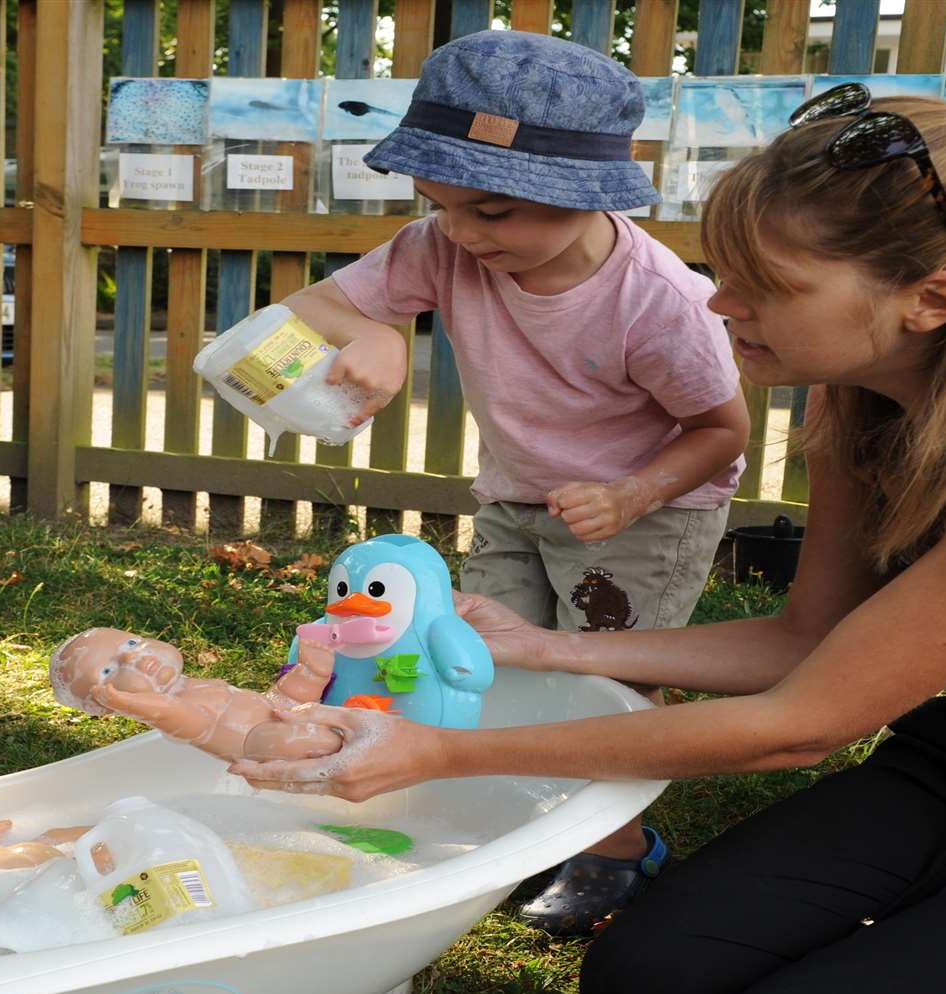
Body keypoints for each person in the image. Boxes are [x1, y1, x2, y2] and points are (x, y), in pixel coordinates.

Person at [234, 83, 946, 994]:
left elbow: (802, 722)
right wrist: (548, 646)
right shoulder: (858, 402)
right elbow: (802, 639)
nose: (720, 302)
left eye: (765, 284)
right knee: (642, 991)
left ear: (930, 300)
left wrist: (437, 753)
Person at [280, 29, 751, 935]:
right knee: (485, 659)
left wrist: (633, 494)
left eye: (490, 210)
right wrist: (373, 332)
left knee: (609, 678)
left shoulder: (660, 303)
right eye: (437, 202)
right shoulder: (445, 246)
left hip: (644, 518)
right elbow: (312, 304)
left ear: (585, 195)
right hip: (515, 497)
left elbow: (721, 433)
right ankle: (515, 819)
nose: (458, 230)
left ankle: (616, 849)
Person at [50, 627, 344, 762]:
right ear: (110, 705)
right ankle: (343, 749)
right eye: (107, 672)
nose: (131, 659)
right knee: (289, 739)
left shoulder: (192, 687)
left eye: (129, 643)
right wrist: (127, 703)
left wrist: (308, 675)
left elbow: (271, 706)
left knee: (284, 698)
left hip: (274, 710)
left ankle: (314, 675)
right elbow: (172, 714)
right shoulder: (175, 714)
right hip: (261, 748)